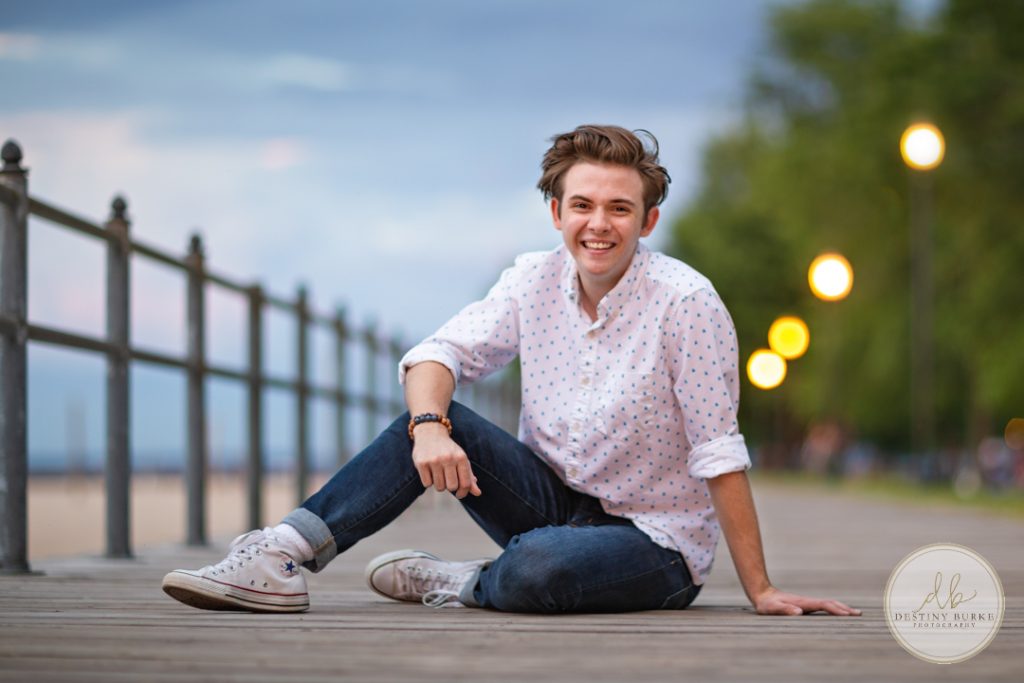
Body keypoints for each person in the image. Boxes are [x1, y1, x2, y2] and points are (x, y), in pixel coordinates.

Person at [162, 125, 861, 617]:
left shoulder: (687, 303)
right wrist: (431, 428)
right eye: (582, 205)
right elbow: (438, 354)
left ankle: (470, 580)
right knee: (431, 419)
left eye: (620, 207)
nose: (599, 224)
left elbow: (718, 451)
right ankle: (282, 555)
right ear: (556, 212)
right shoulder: (531, 279)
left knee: (537, 569)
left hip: (656, 543)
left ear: (647, 221)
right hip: (552, 500)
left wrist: (761, 588)